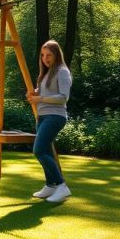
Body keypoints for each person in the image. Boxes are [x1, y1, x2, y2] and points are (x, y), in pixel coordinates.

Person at [26, 40, 73, 203]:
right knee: (45, 151)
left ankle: (62, 186)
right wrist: (35, 93)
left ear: (56, 55)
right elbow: (47, 91)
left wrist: (40, 97)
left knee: (38, 151)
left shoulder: (62, 71)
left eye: (49, 55)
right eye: (43, 55)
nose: (45, 58)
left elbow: (63, 97)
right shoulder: (47, 73)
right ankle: (50, 185)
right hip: (43, 116)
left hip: (55, 116)